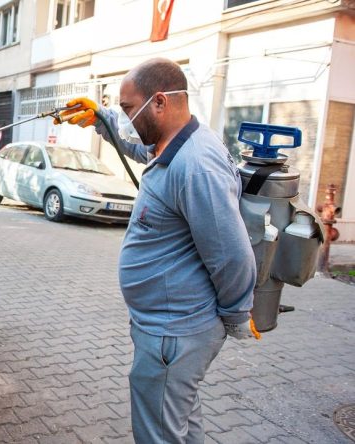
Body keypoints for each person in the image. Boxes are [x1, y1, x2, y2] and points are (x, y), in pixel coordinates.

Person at [58, 58, 259, 444]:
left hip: (175, 332)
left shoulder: (196, 166)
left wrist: (237, 314)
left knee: (160, 433)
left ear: (160, 102)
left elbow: (231, 254)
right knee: (179, 419)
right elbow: (141, 147)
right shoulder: (174, 143)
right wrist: (101, 120)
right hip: (168, 328)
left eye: (128, 108)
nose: (125, 118)